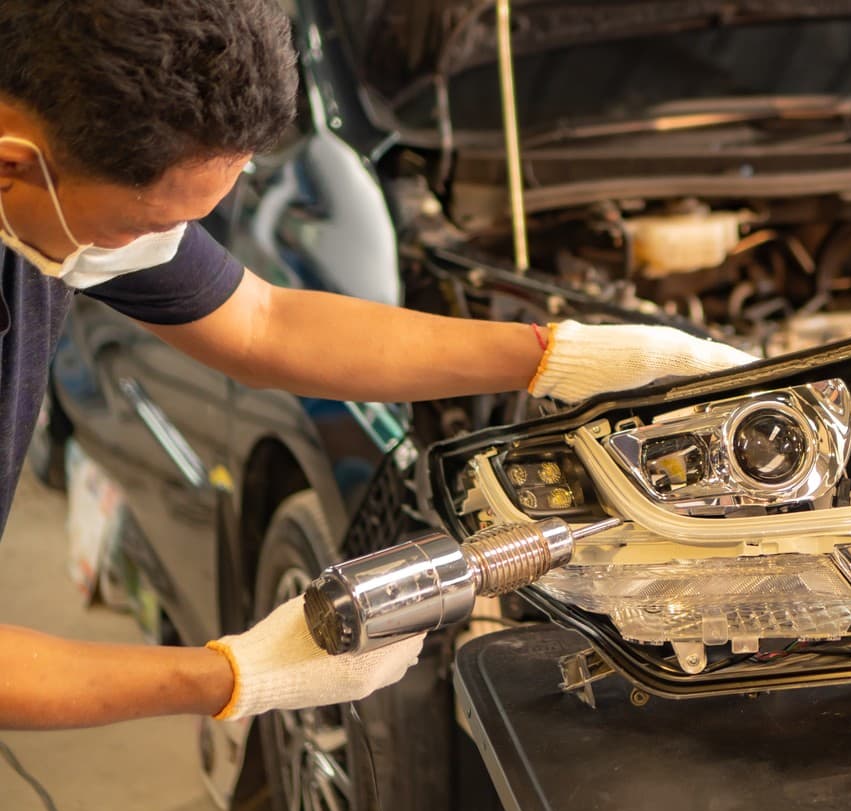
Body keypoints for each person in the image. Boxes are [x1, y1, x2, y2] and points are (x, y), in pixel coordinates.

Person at [0, 1, 754, 730]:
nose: (153, 246)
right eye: (145, 225)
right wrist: (235, 676)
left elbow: (264, 324)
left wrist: (559, 356)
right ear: (12, 165)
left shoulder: (58, 193)